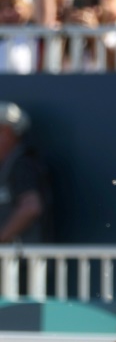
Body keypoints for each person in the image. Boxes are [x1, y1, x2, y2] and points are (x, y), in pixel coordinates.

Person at [0, 101, 52, 246]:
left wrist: (2, 237)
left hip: (25, 264)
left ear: (12, 133)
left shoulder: (23, 164)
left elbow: (31, 207)